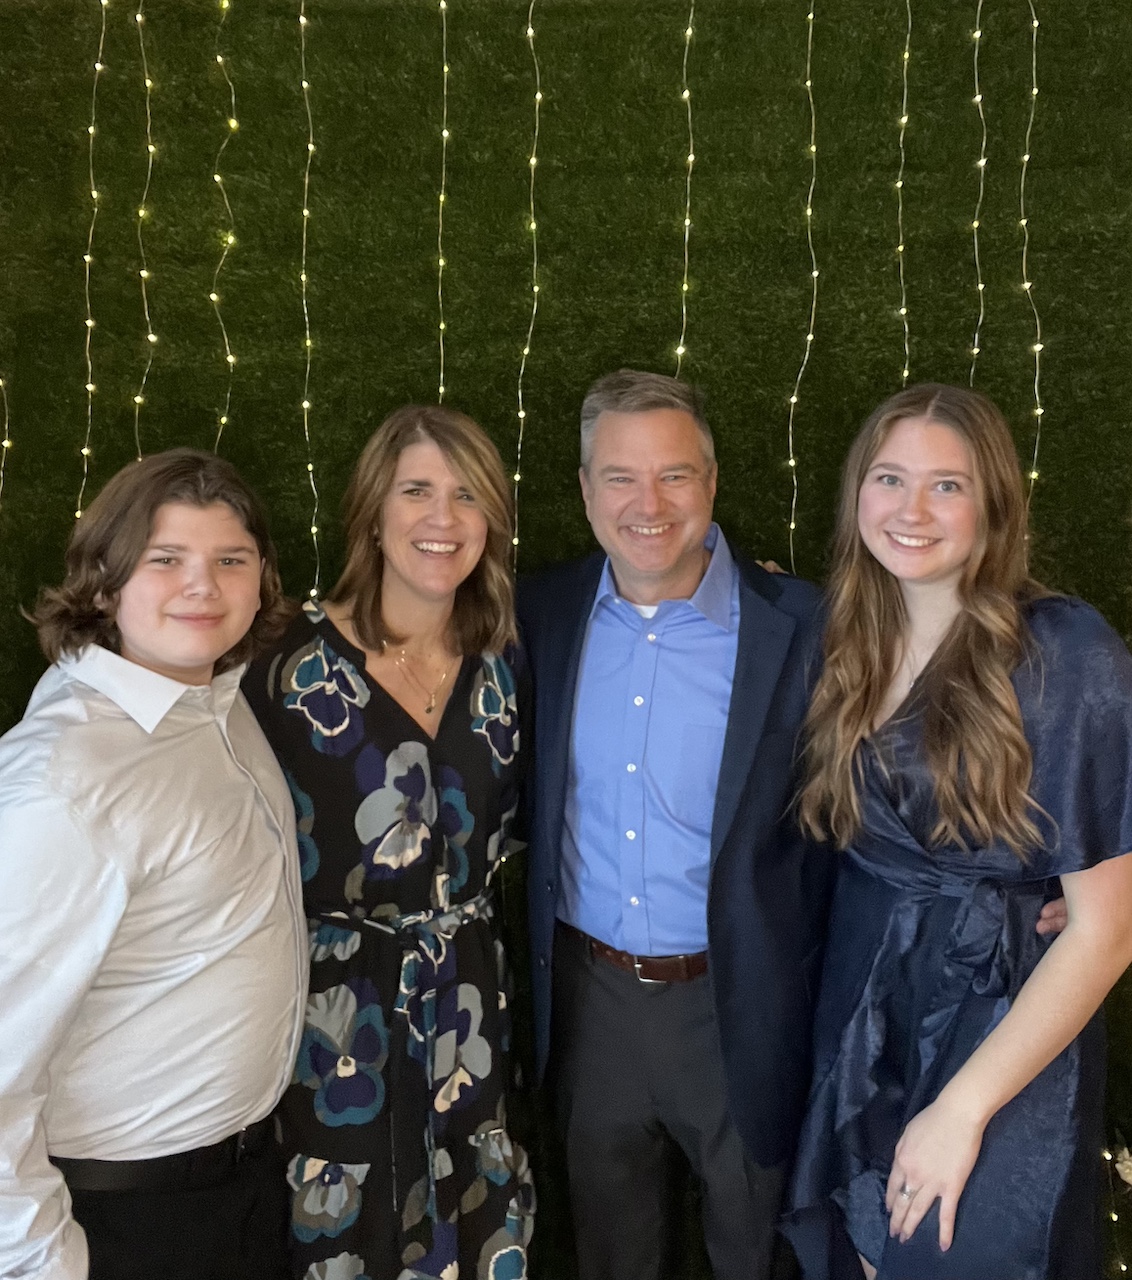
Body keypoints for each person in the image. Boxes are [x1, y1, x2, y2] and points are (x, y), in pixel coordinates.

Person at [783, 383, 1132, 1279]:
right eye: (890, 478)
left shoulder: (1065, 654)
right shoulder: (845, 642)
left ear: (995, 505)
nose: (911, 510)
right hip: (864, 1010)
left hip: (999, 1018)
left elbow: (1106, 932)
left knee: (963, 1252)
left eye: (948, 485)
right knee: (864, 1251)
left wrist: (962, 1110)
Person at [517, 369, 832, 1280]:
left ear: (713, 482)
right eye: (620, 477)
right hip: (590, 1008)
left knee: (755, 1252)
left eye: (675, 475)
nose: (647, 504)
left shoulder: (808, 627)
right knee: (611, 1254)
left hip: (742, 1008)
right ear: (586, 491)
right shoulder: (539, 614)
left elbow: (891, 788)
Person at [0, 448, 307, 1280]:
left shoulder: (218, 703)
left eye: (231, 560)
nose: (202, 586)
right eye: (165, 559)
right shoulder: (64, 783)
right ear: (104, 583)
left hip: (240, 1188)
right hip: (123, 1218)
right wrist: (46, 1267)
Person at [243, 405, 533, 1280]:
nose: (443, 518)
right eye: (417, 491)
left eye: (468, 495)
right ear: (372, 511)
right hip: (334, 1018)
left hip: (471, 1005)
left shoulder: (505, 658)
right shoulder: (281, 663)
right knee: (342, 1234)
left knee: (478, 1225)